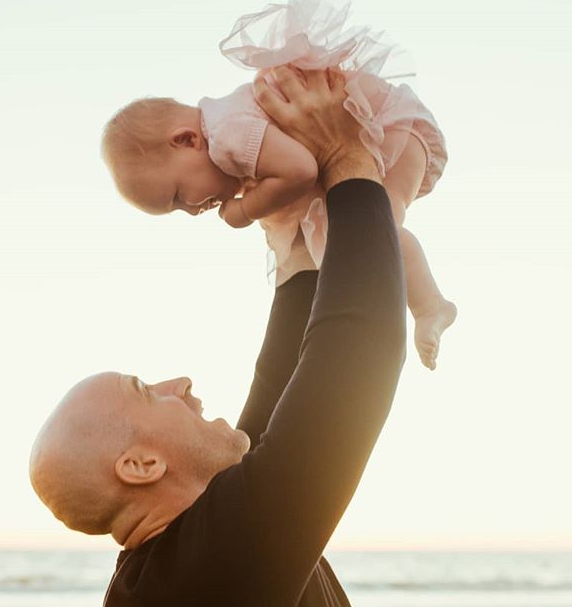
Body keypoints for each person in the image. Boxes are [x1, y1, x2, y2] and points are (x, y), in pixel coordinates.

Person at [30, 64, 407, 606]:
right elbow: (358, 351)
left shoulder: (185, 556)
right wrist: (347, 155)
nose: (179, 383)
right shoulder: (211, 565)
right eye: (145, 390)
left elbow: (282, 388)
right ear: (141, 466)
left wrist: (296, 242)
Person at [101, 0, 455, 370]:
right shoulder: (229, 130)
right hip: (387, 131)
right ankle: (417, 310)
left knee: (377, 235)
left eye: (177, 197)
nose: (190, 210)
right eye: (178, 211)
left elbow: (300, 170)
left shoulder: (225, 134)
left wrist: (247, 209)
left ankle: (429, 307)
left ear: (187, 140)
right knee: (363, 240)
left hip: (387, 127)